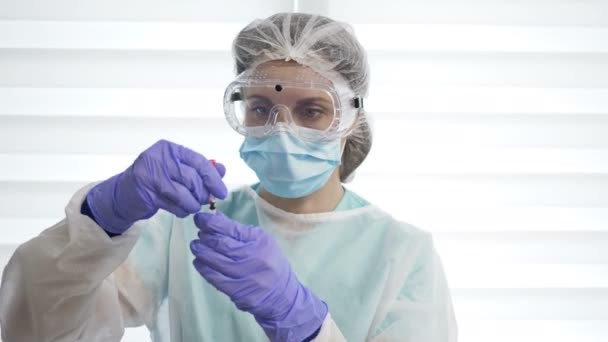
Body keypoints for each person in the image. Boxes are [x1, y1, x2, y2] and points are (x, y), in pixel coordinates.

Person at [0, 12, 457, 342]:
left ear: (350, 120)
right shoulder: (183, 229)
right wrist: (102, 220)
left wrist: (305, 325)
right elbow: (37, 331)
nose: (282, 128)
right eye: (261, 108)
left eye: (312, 110)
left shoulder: (403, 253)